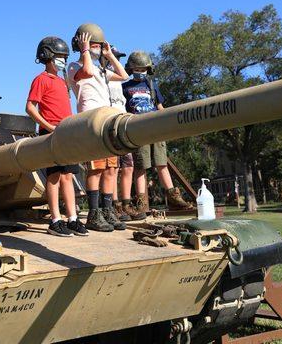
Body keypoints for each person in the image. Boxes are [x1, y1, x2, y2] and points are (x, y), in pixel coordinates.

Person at [67, 23, 128, 232]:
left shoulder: (102, 69)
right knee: (96, 169)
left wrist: (109, 56)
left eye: (98, 45)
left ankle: (107, 209)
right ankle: (93, 214)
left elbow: (123, 75)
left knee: (112, 168)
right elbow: (86, 71)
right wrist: (85, 50)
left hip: (107, 120)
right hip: (91, 122)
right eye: (93, 44)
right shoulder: (74, 67)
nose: (97, 48)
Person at [26, 36, 88, 237]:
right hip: (51, 132)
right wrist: (48, 126)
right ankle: (55, 220)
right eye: (59, 57)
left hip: (66, 131)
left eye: (64, 57)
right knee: (53, 176)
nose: (62, 60)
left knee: (68, 176)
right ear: (47, 57)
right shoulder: (40, 79)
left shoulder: (63, 81)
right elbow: (30, 107)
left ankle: (72, 218)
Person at [122, 51, 193, 213]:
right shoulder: (124, 87)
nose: (140, 72)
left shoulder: (151, 85)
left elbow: (160, 108)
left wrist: (169, 123)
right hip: (138, 131)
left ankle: (173, 197)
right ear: (130, 69)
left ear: (149, 69)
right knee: (141, 167)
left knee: (162, 164)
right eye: (136, 69)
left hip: (157, 129)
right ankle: (141, 201)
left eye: (143, 69)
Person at [101, 46, 145, 222]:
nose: (115, 61)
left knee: (128, 166)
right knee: (113, 168)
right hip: (109, 125)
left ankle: (126, 203)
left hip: (122, 124)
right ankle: (115, 204)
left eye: (117, 58)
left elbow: (125, 76)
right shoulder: (102, 76)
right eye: (112, 58)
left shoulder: (119, 79)